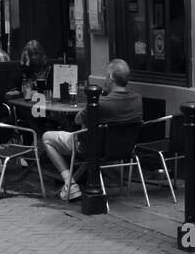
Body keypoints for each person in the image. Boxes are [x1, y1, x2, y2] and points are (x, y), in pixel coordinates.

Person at [42, 59, 143, 202]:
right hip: (125, 149)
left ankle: (70, 183)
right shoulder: (137, 99)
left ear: (111, 78)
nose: (106, 79)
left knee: (47, 137)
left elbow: (77, 119)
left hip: (91, 148)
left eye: (107, 76)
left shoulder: (102, 103)